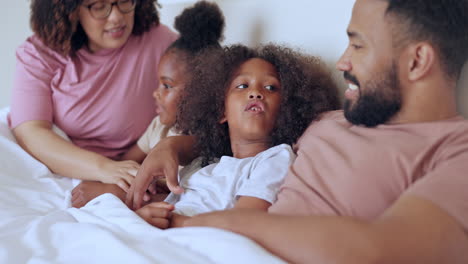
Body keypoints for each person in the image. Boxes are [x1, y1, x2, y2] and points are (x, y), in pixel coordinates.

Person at [127, 0, 468, 263]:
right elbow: (248, 136)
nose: (342, 62)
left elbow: (377, 251)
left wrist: (190, 225)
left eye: (359, 45)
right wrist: (174, 146)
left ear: (417, 60)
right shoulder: (328, 121)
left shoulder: (456, 152)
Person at [135, 44, 340, 228]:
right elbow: (169, 206)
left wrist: (179, 224)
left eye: (270, 88)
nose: (256, 93)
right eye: (243, 86)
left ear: (286, 110)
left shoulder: (275, 159)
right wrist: (146, 216)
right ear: (221, 111)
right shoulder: (202, 165)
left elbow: (243, 220)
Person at [9, 0, 177, 193]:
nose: (116, 17)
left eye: (123, 2)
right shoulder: (40, 53)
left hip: (139, 163)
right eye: (98, 6)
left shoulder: (159, 41)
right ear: (70, 11)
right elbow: (30, 132)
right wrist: (106, 169)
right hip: (69, 168)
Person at [71, 0, 226, 208]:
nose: (156, 93)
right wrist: (106, 178)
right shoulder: (159, 128)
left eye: (167, 86)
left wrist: (112, 192)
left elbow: (188, 200)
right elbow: (126, 163)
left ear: (200, 94)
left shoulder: (207, 146)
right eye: (159, 83)